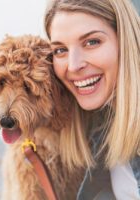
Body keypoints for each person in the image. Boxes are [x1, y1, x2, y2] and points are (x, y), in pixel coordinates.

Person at [44, 0, 140, 199]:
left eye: (92, 42)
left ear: (125, 40)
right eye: (60, 50)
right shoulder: (98, 124)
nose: (73, 65)